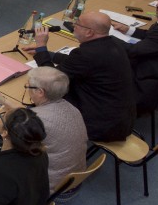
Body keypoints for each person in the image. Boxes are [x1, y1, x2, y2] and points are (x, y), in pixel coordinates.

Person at [23, 14, 136, 142]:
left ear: (89, 32)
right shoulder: (113, 43)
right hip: (121, 117)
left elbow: (50, 79)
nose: (73, 26)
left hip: (100, 125)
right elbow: (78, 62)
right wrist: (49, 55)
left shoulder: (87, 54)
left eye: (78, 24)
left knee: (44, 94)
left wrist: (41, 46)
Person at [0, 68, 87, 196]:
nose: (27, 89)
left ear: (40, 92)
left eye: (28, 86)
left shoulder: (36, 122)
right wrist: (3, 100)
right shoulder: (71, 108)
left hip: (49, 189)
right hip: (72, 180)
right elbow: (30, 115)